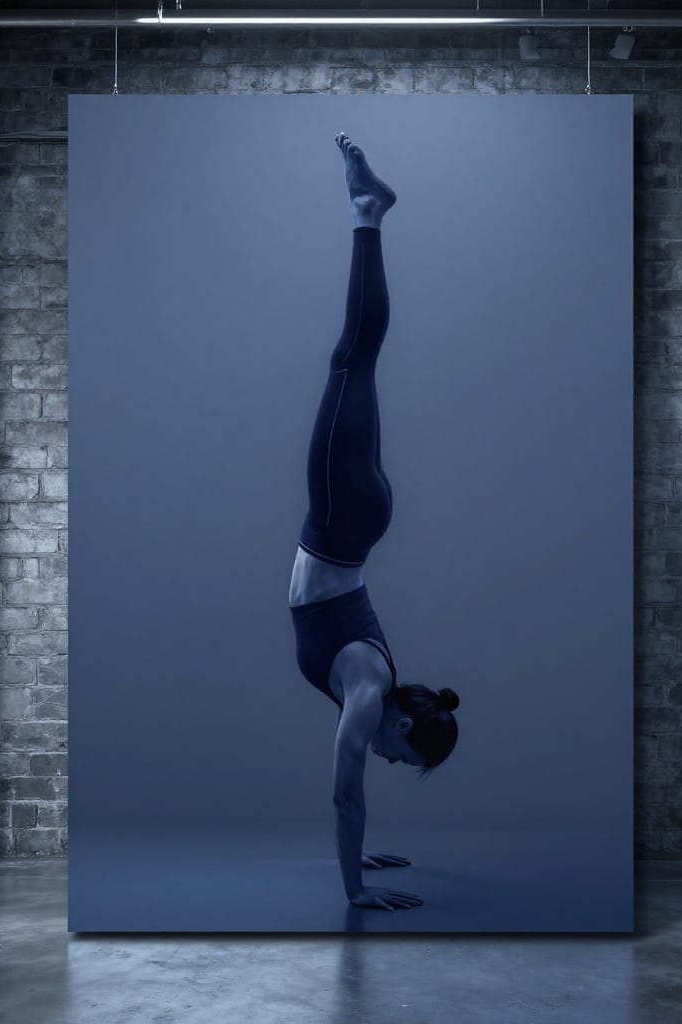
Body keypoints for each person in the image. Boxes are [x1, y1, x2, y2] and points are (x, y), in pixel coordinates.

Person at [288, 132, 460, 912]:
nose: (390, 762)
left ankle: (368, 213)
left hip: (359, 518)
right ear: (401, 728)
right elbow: (344, 796)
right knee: (354, 354)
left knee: (360, 356)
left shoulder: (379, 683)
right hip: (343, 513)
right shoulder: (366, 692)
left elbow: (357, 799)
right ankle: (368, 214)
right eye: (403, 758)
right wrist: (354, 891)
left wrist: (367, 859)